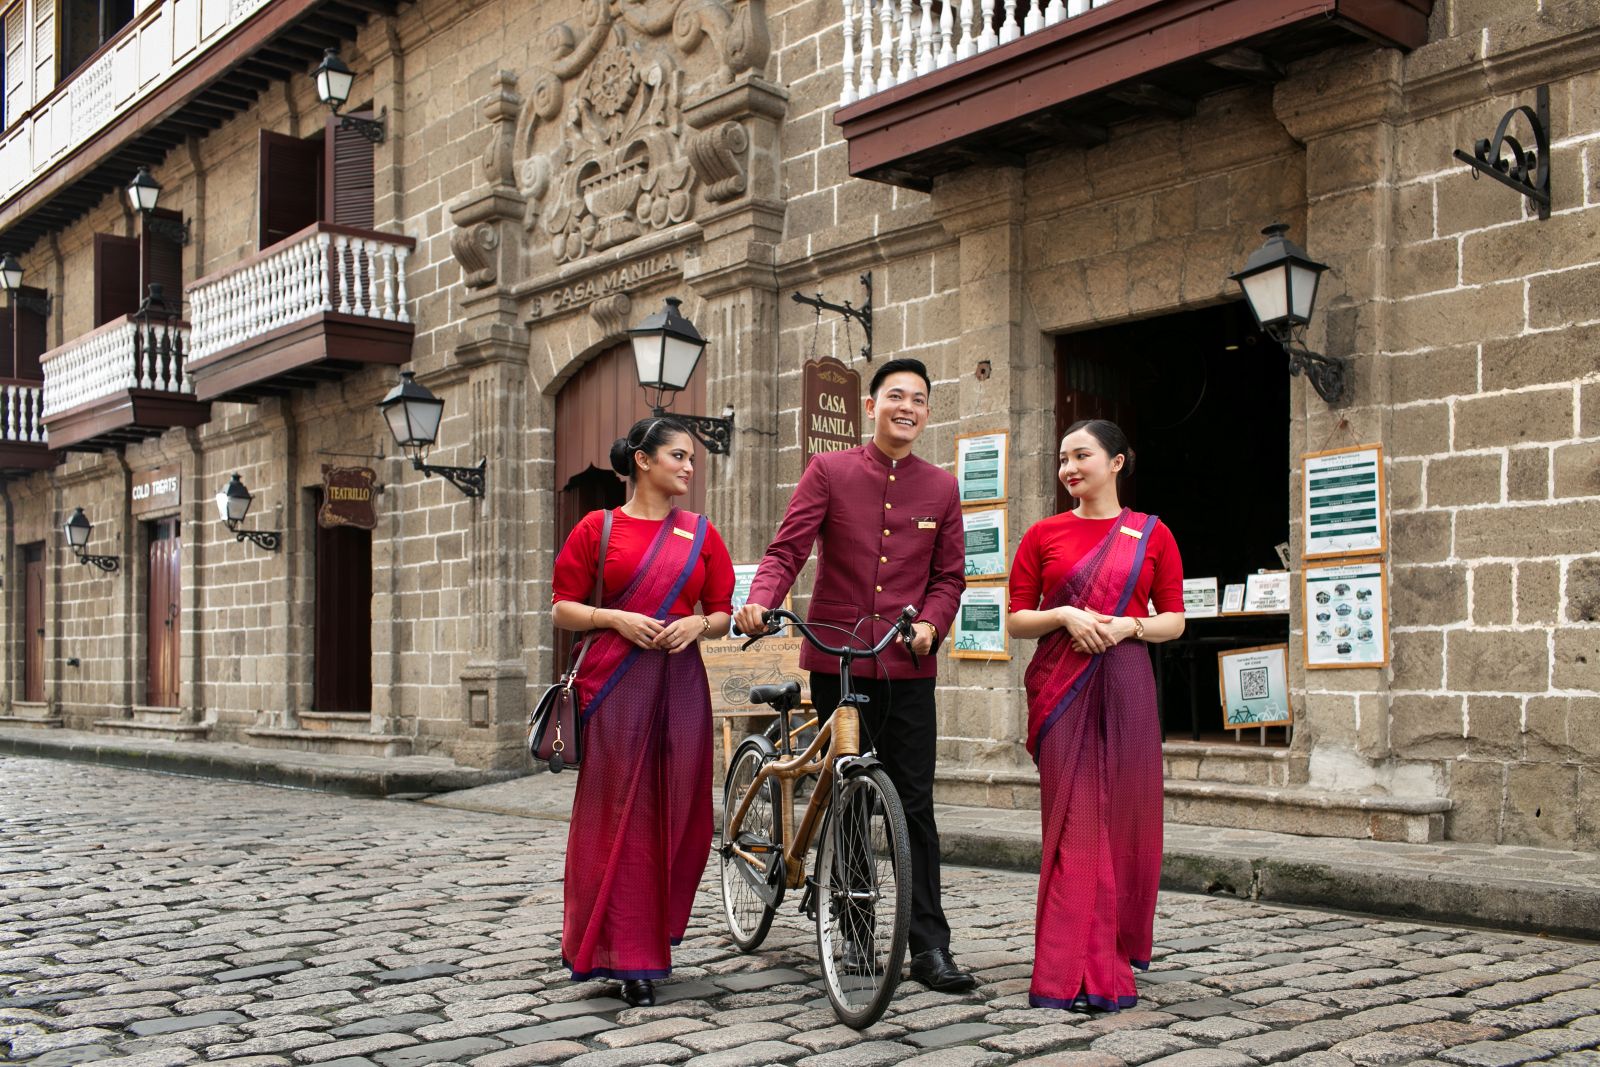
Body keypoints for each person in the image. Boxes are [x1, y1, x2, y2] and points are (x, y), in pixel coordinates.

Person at [736, 357, 976, 993]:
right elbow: (787, 550)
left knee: (914, 804)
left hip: (908, 664)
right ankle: (854, 928)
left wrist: (932, 625)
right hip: (837, 661)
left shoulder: (942, 487)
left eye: (918, 399)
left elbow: (950, 578)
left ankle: (929, 945)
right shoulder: (830, 470)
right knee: (848, 795)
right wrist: (761, 601)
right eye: (896, 396)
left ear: (928, 412)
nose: (907, 407)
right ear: (872, 406)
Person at [551, 416, 735, 1008]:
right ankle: (628, 954)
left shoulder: (702, 533)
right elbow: (562, 608)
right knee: (622, 816)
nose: (688, 467)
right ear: (643, 460)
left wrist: (697, 625)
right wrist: (615, 618)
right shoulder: (597, 528)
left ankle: (654, 931)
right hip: (616, 685)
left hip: (681, 685)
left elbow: (723, 611)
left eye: (692, 458)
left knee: (682, 812)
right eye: (678, 455)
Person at [1006, 419, 1185, 1012]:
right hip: (1063, 686)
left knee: (1125, 820)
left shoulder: (1152, 534)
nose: (1068, 468)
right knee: (1075, 820)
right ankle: (1077, 968)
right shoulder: (1043, 534)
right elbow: (1017, 618)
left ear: (1116, 462)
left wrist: (1128, 626)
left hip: (1127, 680)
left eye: (1081, 455)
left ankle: (1111, 948)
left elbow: (1173, 619)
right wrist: (1064, 616)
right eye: (1062, 459)